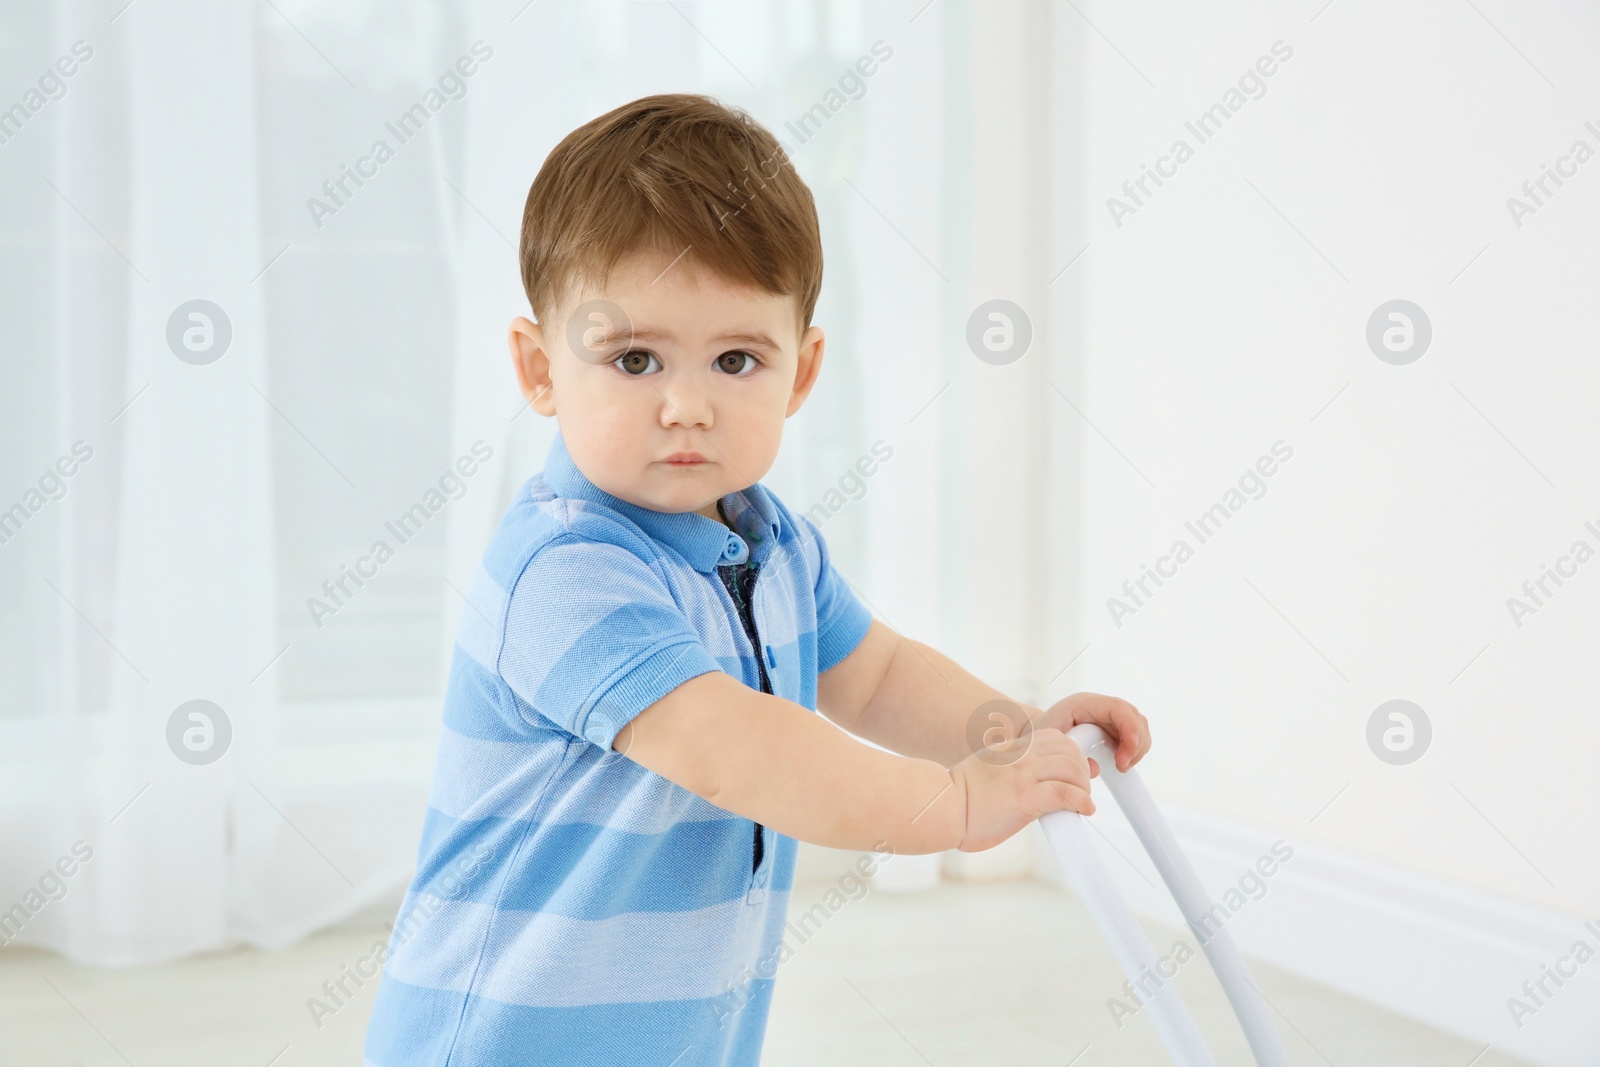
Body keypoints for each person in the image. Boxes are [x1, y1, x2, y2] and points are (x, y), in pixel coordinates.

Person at [363, 91, 1151, 1067]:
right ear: (538, 369)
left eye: (735, 358)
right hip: (505, 1039)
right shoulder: (563, 572)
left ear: (802, 372)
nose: (685, 404)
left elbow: (877, 674)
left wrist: (1012, 733)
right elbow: (740, 751)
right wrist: (955, 804)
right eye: (635, 357)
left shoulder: (772, 542)